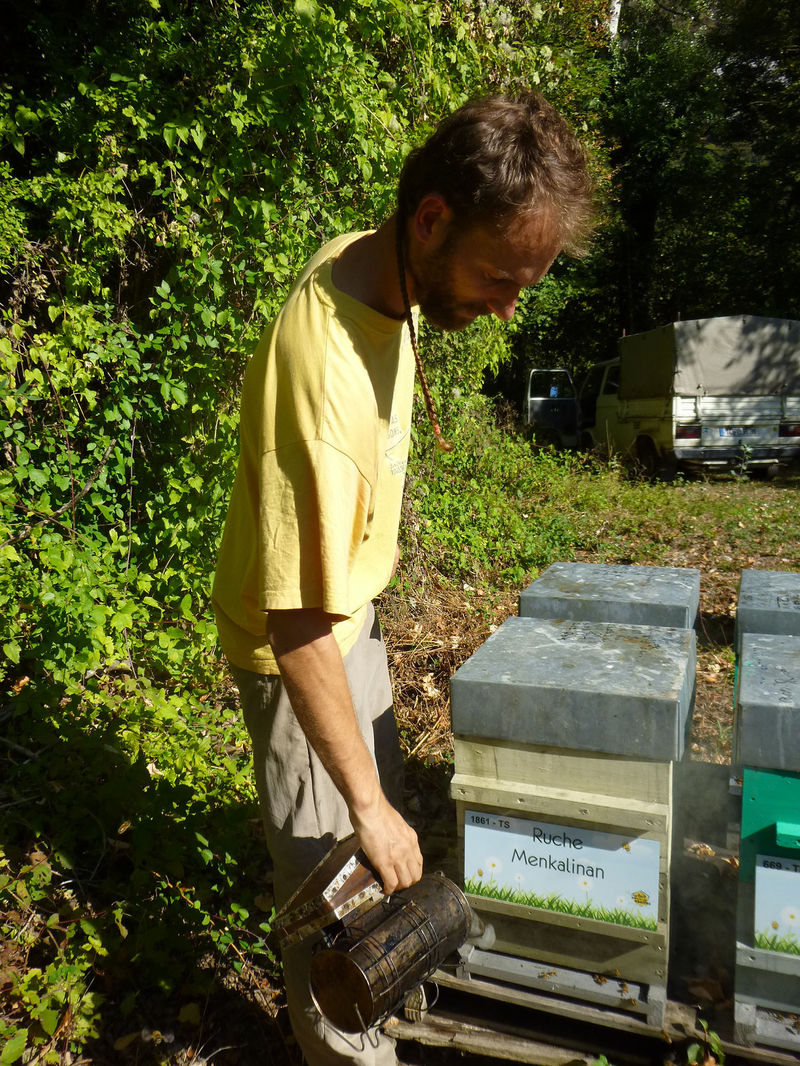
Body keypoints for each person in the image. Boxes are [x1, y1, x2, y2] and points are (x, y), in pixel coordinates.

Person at [212, 91, 594, 1066]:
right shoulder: (327, 375)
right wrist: (369, 806)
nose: (509, 307)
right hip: (301, 655)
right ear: (431, 218)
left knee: (375, 883)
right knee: (330, 922)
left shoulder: (383, 262)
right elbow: (295, 624)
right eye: (500, 278)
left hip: (349, 618)